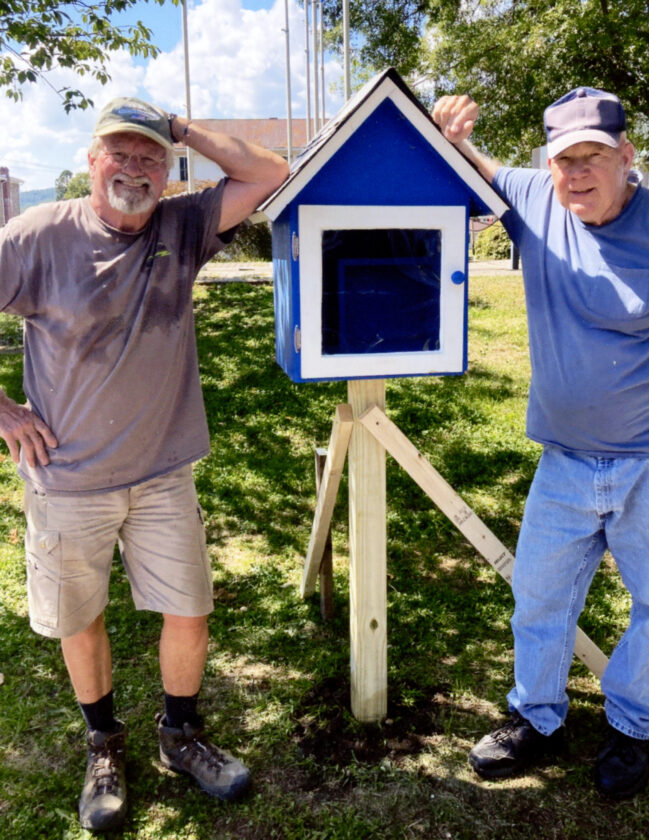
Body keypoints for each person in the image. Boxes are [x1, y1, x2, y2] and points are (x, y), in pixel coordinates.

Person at [0, 96, 288, 831]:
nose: (135, 167)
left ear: (168, 168)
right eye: (120, 153)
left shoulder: (182, 224)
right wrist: (3, 411)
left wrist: (182, 129)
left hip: (163, 473)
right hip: (68, 480)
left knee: (189, 612)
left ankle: (179, 736)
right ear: (91, 160)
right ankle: (104, 745)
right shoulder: (35, 237)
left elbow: (270, 174)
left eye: (151, 156)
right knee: (80, 618)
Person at [433, 87, 649, 799]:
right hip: (563, 458)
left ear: (626, 155)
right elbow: (480, 170)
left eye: (592, 157)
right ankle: (537, 714)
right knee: (538, 597)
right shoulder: (534, 199)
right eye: (563, 160)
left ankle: (633, 722)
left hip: (644, 462)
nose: (577, 174)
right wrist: (452, 132)